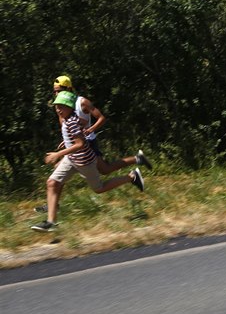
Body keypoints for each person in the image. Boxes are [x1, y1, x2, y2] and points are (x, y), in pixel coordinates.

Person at [35, 76, 153, 214]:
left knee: (104, 171)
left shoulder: (81, 102)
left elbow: (101, 118)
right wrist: (66, 140)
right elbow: (67, 127)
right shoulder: (61, 105)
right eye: (55, 91)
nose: (56, 94)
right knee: (99, 170)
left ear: (68, 89)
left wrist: (91, 129)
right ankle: (136, 162)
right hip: (76, 144)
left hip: (87, 143)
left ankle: (134, 168)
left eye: (59, 91)